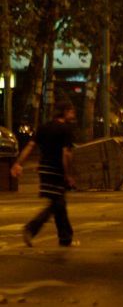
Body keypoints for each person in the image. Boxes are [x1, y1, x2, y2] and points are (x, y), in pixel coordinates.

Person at [10, 101, 77, 247]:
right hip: (57, 169)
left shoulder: (44, 127)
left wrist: (18, 163)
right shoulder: (66, 130)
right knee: (56, 203)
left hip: (44, 169)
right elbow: (66, 153)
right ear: (65, 112)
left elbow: (30, 146)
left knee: (58, 203)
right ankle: (31, 228)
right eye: (71, 112)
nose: (73, 115)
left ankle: (65, 237)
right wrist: (69, 174)